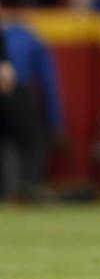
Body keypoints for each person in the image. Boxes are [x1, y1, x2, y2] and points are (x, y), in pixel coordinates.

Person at [0, 14, 68, 200]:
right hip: (14, 88)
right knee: (31, 140)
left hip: (11, 86)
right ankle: (27, 190)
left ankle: (11, 191)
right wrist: (56, 123)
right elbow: (48, 84)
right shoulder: (31, 37)